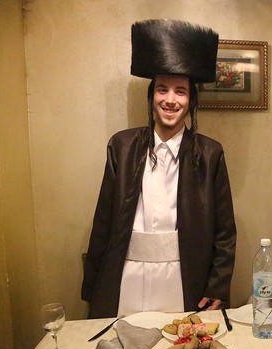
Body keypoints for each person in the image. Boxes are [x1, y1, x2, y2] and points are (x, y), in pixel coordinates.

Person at [81, 20, 237, 319]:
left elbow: (225, 231)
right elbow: (103, 220)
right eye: (162, 90)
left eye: (181, 92)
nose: (170, 100)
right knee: (124, 339)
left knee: (178, 343)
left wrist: (217, 285)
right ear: (152, 96)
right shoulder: (122, 146)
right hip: (127, 273)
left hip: (183, 277)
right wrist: (93, 287)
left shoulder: (211, 153)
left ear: (191, 100)